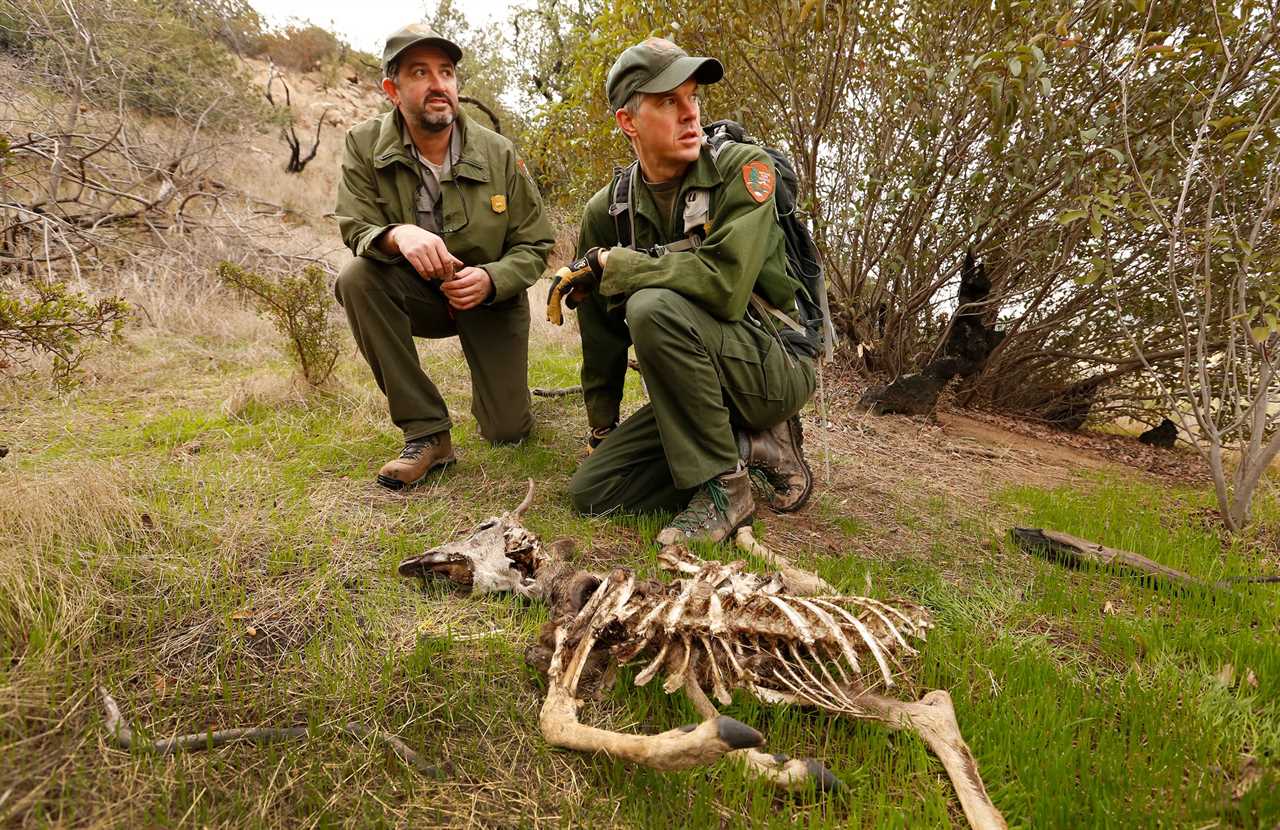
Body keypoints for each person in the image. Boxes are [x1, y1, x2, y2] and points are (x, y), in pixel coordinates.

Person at [551, 38, 816, 545]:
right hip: (695, 386)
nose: (690, 114)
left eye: (692, 97)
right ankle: (745, 445)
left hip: (775, 367)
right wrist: (601, 428)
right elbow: (602, 332)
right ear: (628, 122)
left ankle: (726, 492)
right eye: (669, 101)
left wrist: (623, 266)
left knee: (652, 306)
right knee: (595, 491)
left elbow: (726, 287)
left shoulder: (742, 170)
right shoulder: (606, 213)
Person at [334, 24, 554, 489]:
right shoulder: (363, 143)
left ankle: (501, 399)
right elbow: (355, 226)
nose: (439, 84)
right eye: (420, 72)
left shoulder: (498, 152)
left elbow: (535, 244)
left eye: (447, 72)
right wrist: (397, 234)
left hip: (489, 298)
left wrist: (491, 279)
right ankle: (427, 433)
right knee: (357, 278)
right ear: (392, 90)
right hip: (417, 294)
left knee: (506, 431)